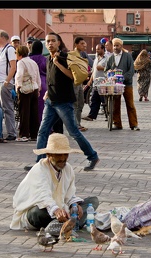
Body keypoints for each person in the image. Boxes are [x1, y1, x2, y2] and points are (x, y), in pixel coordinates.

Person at [24, 32, 100, 172]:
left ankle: (92, 156)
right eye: (48, 41)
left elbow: (72, 77)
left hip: (63, 102)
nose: (50, 43)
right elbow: (51, 79)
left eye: (53, 41)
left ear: (59, 43)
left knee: (74, 132)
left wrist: (58, 63)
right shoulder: (47, 59)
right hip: (51, 101)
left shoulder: (64, 57)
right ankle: (39, 163)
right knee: (43, 131)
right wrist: (47, 92)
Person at [10, 133, 99, 231]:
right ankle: (68, 223)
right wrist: (55, 210)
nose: (62, 158)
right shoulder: (40, 169)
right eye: (58, 155)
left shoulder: (68, 168)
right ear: (49, 155)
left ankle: (64, 224)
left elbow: (69, 194)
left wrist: (74, 205)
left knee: (93, 201)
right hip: (39, 212)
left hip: (61, 210)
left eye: (65, 154)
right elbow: (43, 196)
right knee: (38, 212)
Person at [104, 37, 140, 131]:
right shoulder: (111, 58)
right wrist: (109, 73)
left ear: (121, 46)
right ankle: (117, 124)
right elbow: (106, 70)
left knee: (130, 104)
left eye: (117, 45)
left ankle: (133, 124)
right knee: (115, 104)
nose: (115, 47)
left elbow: (131, 70)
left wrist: (122, 78)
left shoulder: (127, 56)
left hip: (126, 85)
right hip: (115, 86)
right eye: (114, 45)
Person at [0, 29, 18, 141]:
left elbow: (13, 66)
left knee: (7, 108)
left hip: (4, 83)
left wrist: (7, 81)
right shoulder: (1, 51)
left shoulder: (10, 49)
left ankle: (11, 132)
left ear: (3, 37)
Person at [15, 45, 41, 142]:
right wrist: (38, 87)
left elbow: (19, 75)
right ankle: (34, 134)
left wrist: (18, 86)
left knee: (24, 112)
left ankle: (24, 135)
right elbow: (37, 75)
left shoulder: (21, 62)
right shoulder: (33, 62)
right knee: (34, 112)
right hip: (34, 88)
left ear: (19, 54)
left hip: (25, 89)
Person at [82, 43, 108, 121]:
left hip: (103, 83)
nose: (97, 51)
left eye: (98, 49)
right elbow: (93, 71)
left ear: (103, 49)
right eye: (96, 49)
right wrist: (90, 80)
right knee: (94, 100)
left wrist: (103, 68)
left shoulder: (107, 58)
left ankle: (108, 116)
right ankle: (91, 116)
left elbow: (110, 69)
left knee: (104, 101)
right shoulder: (96, 59)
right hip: (95, 83)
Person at [71, 37, 90, 132]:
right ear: (76, 44)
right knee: (75, 104)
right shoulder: (72, 55)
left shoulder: (82, 55)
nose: (84, 45)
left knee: (80, 103)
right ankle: (75, 125)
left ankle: (77, 123)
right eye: (82, 43)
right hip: (74, 83)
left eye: (84, 43)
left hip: (80, 84)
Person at [29, 40, 48, 125]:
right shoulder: (45, 59)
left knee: (31, 107)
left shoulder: (29, 59)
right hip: (43, 83)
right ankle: (44, 125)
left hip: (31, 83)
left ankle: (32, 127)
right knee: (43, 107)